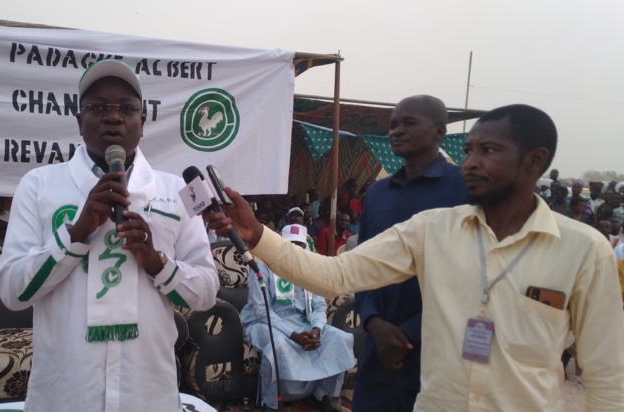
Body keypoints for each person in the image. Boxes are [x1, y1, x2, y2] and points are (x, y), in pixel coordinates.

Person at [206, 104, 624, 410]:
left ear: (536, 161)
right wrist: (260, 235)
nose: (471, 163)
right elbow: (336, 275)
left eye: (489, 151)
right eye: (470, 150)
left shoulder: (585, 251)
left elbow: (608, 376)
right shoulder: (431, 229)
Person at [0, 59, 219, 411]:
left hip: (147, 393)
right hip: (67, 394)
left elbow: (205, 293)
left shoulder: (176, 191)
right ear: (79, 121)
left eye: (127, 108)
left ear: (143, 122)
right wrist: (76, 234)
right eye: (98, 107)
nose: (113, 117)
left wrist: (155, 261)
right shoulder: (39, 185)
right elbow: (11, 291)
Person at [350, 95, 469, 412]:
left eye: (409, 123)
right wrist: (374, 323)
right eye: (393, 125)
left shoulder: (464, 189)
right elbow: (362, 266)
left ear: (439, 132)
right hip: (379, 347)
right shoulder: (377, 193)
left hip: (437, 346)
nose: (396, 131)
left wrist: (407, 335)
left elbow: (471, 277)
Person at [243, 224, 353, 412]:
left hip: (304, 322)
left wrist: (316, 330)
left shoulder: (308, 268)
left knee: (339, 339)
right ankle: (270, 402)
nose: (294, 250)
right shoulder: (261, 266)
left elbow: (318, 305)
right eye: (290, 245)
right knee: (278, 345)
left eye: (299, 246)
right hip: (264, 320)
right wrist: (293, 335)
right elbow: (263, 311)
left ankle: (324, 395)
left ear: (304, 247)